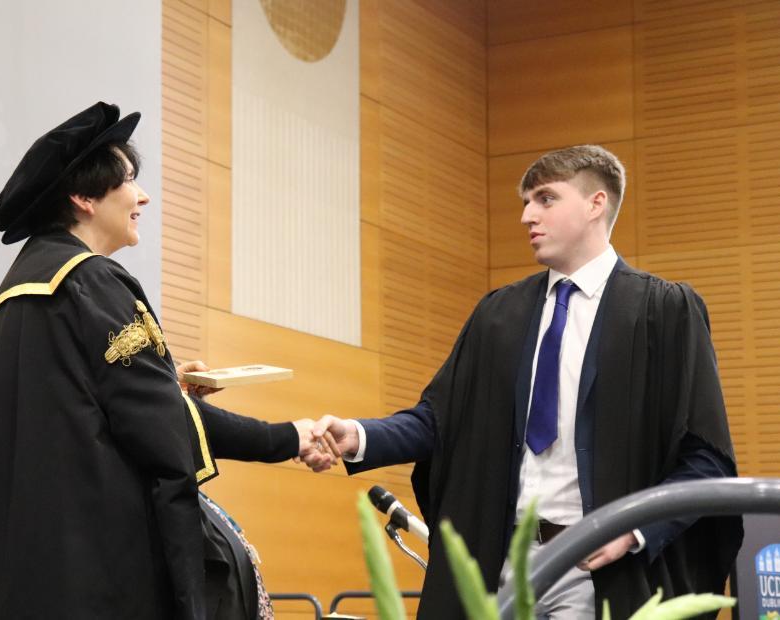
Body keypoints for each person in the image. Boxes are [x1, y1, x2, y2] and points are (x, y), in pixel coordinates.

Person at [304, 145, 742, 618]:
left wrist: (633, 530)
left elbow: (706, 458)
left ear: (596, 203)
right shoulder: (498, 314)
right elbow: (439, 421)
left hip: (600, 570)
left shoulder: (664, 312)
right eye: (525, 202)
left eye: (545, 199)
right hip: (500, 566)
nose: (527, 215)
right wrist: (360, 436)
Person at [0, 102, 321, 619]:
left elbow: (79, 408)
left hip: (27, 574)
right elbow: (159, 424)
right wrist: (287, 437)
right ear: (83, 197)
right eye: (127, 180)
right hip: (97, 577)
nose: (142, 194)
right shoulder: (91, 280)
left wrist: (167, 382)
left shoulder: (17, 293)